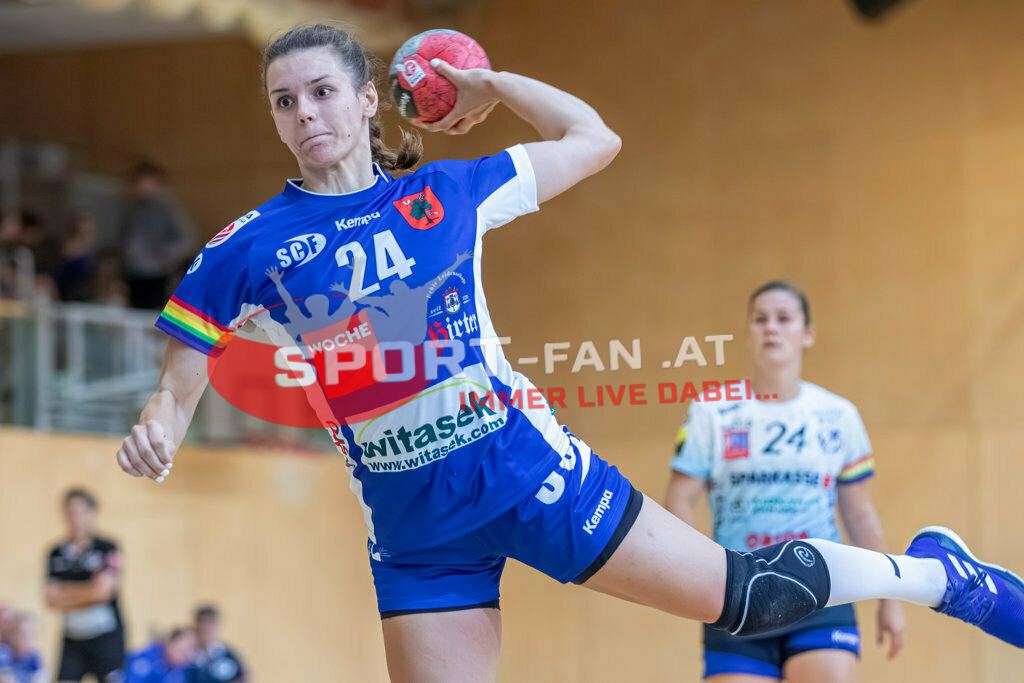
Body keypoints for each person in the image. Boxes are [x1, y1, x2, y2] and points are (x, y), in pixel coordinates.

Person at [115, 22, 1024, 682]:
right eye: (284, 101)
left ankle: (943, 576)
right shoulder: (250, 244)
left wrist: (495, 84)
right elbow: (190, 346)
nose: (305, 114)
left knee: (744, 597)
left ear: (364, 99)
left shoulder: (447, 193)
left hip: (525, 472)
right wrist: (161, 422)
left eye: (321, 92)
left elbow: (595, 140)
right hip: (415, 532)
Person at [666, 281, 905, 682]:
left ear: (807, 334)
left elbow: (861, 515)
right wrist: (703, 574)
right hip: (737, 594)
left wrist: (890, 598)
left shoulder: (838, 415)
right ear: (747, 333)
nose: (771, 328)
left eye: (783, 319)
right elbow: (677, 503)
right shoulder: (712, 412)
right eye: (760, 320)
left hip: (823, 588)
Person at [44, 488, 125, 683]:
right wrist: (89, 593)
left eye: (79, 512)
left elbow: (104, 592)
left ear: (91, 514)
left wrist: (66, 594)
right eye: (69, 513)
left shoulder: (107, 548)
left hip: (106, 637)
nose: (74, 519)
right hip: (72, 637)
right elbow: (50, 599)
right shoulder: (55, 552)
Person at [120, 162, 194, 310]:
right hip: (135, 273)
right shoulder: (132, 210)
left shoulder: (168, 208)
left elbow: (187, 240)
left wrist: (165, 254)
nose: (142, 186)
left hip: (160, 274)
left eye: (146, 181)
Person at [187, 606, 246, 683]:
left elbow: (242, 676)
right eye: (202, 622)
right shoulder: (187, 654)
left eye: (210, 623)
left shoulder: (226, 653)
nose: (206, 627)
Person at [122, 627, 196, 683]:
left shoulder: (178, 667)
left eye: (191, 651)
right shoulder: (145, 661)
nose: (188, 656)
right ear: (170, 642)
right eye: (183, 651)